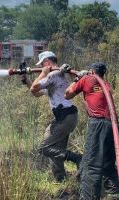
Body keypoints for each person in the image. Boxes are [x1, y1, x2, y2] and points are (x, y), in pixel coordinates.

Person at [20, 51, 82, 182]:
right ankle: (60, 178)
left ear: (47, 62)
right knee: (56, 148)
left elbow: (34, 89)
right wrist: (26, 80)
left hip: (66, 116)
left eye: (42, 64)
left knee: (45, 148)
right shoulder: (54, 76)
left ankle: (77, 158)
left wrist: (43, 72)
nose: (41, 67)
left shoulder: (53, 74)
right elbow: (37, 92)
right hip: (64, 116)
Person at [65, 62, 119, 200]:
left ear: (91, 71)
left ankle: (88, 197)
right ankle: (114, 194)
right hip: (114, 126)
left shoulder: (87, 79)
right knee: (108, 163)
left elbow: (67, 94)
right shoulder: (105, 84)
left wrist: (77, 78)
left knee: (91, 164)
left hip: (99, 125)